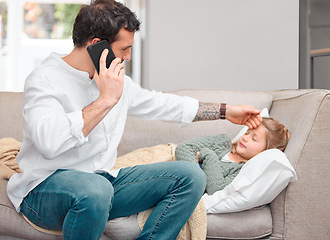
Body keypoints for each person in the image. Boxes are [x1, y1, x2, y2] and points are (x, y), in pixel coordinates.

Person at [7, 1, 262, 239]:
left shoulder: (118, 82)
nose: (128, 57)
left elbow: (164, 104)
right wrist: (105, 100)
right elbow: (49, 143)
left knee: (190, 176)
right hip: (42, 192)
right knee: (96, 189)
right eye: (124, 49)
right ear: (98, 46)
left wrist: (225, 110)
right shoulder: (45, 79)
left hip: (103, 183)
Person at [175, 117, 290, 195]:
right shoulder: (222, 142)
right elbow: (184, 148)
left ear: (265, 151)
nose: (245, 138)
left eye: (254, 139)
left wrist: (208, 156)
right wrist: (199, 177)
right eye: (247, 132)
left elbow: (215, 190)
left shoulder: (240, 171)